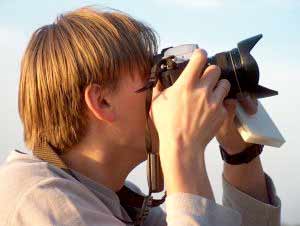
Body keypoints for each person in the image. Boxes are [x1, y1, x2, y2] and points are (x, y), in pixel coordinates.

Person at [0, 7, 280, 226]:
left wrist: (240, 154)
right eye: (153, 75)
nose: (167, 91)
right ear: (103, 101)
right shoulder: (40, 202)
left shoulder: (118, 202)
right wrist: (182, 148)